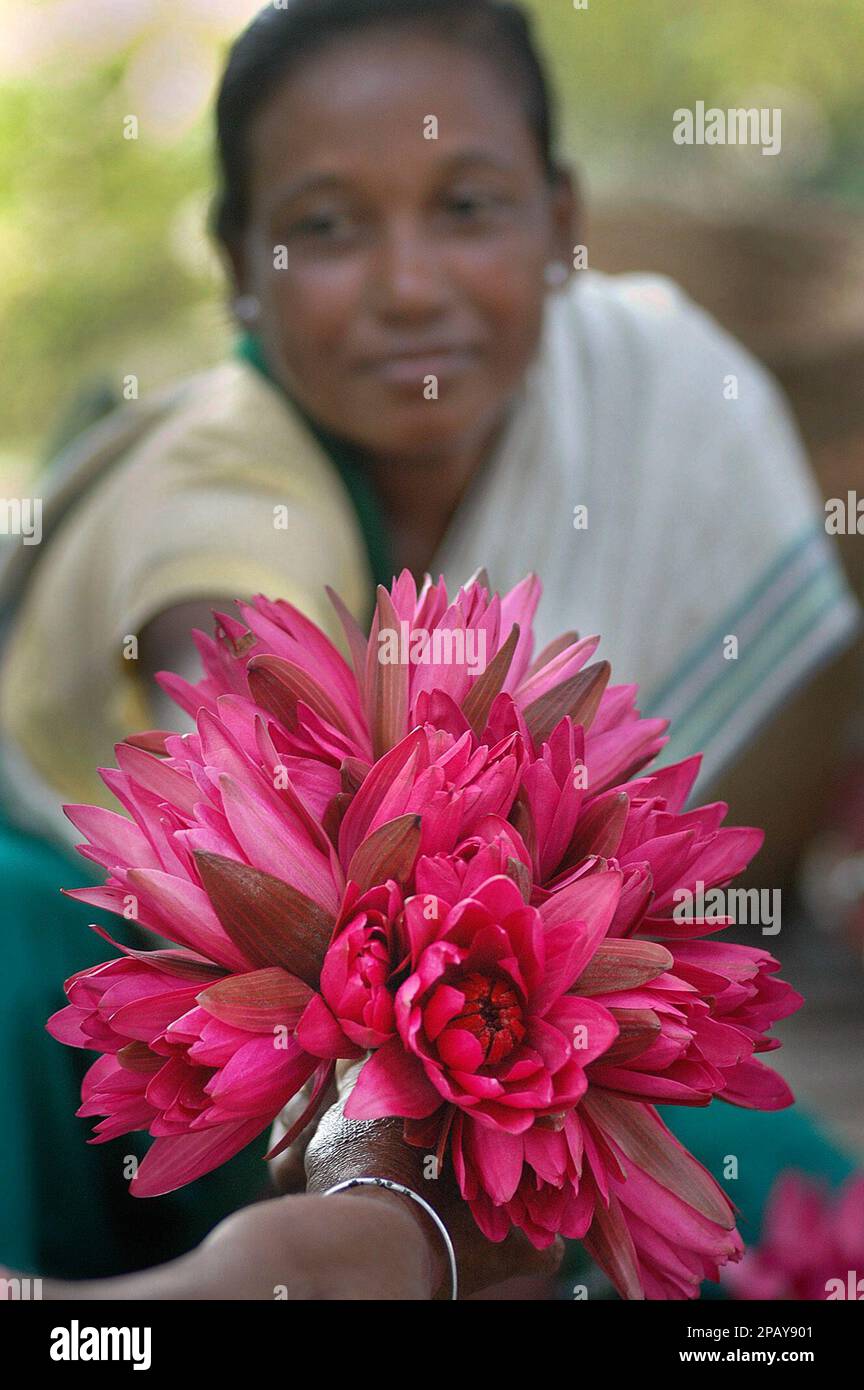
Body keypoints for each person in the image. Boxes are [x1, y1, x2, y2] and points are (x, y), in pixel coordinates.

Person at [0, 0, 859, 1296]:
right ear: (239, 263)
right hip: (126, 1004)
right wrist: (379, 1194)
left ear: (564, 222)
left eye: (467, 206)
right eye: (328, 226)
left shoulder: (660, 391)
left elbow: (741, 853)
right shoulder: (225, 471)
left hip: (479, 1028)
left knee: (790, 1203)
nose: (409, 285)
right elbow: (245, 752)